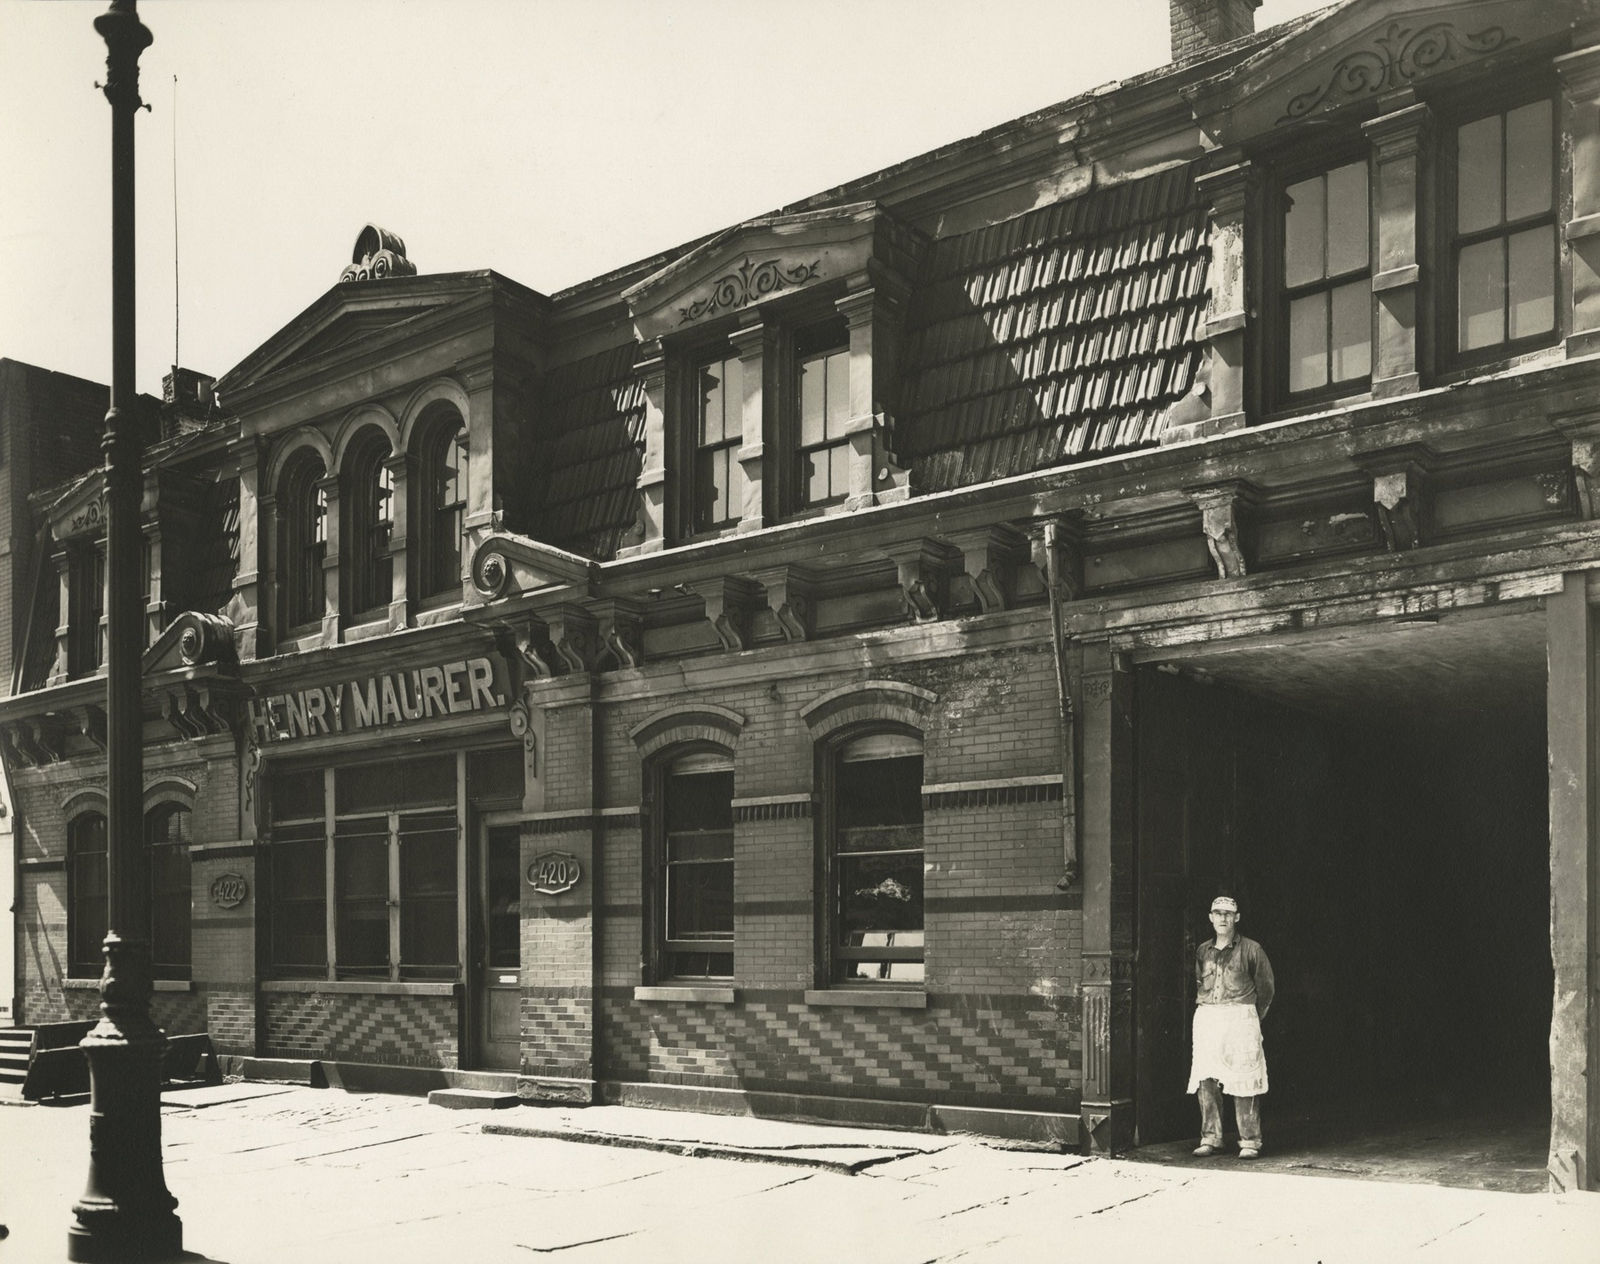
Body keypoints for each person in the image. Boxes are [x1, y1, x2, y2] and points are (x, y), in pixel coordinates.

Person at [1187, 893, 1274, 1159]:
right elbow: (1199, 982)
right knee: (1207, 1079)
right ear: (1211, 918)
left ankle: (1250, 1141)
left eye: (1228, 914)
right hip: (1209, 1017)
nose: (1223, 918)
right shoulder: (1203, 950)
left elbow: (1266, 988)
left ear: (1236, 918)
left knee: (1244, 1078)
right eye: (1218, 913)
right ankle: (1211, 1138)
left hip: (1240, 1017)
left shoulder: (1251, 949)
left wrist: (1251, 1018)